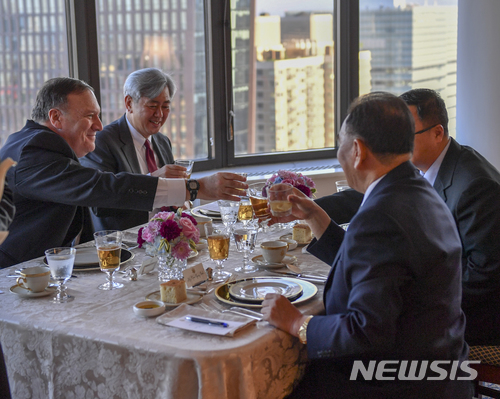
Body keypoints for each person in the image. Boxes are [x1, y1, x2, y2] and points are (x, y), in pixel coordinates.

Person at [262, 92, 471, 398]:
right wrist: (316, 217)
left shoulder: (380, 216)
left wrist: (298, 323)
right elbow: (379, 268)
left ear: (357, 150)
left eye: (340, 144)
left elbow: (366, 332)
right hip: (440, 372)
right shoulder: (420, 191)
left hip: (393, 384)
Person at [0, 77, 246, 267]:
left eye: (99, 116)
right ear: (56, 117)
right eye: (90, 116)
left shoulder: (32, 142)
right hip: (12, 273)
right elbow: (100, 187)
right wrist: (196, 188)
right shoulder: (35, 149)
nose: (98, 125)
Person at [399, 88, 500, 345]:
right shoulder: (425, 166)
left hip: (478, 318)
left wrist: (418, 302)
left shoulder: (474, 187)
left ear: (437, 133)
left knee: (379, 336)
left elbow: (483, 277)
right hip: (444, 295)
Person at [80, 68, 185, 231]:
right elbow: (99, 204)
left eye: (165, 106)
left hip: (165, 240)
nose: (159, 114)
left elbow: (170, 199)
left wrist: (180, 199)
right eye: (152, 106)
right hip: (123, 245)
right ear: (129, 103)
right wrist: (154, 180)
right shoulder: (102, 142)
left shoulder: (162, 142)